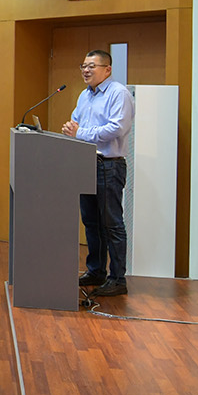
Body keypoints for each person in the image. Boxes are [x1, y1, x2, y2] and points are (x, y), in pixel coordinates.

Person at [64, 49, 135, 297]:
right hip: (85, 163)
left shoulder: (119, 93)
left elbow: (116, 128)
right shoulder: (85, 95)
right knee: (91, 222)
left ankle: (118, 279)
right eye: (83, 65)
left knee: (111, 224)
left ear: (107, 69)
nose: (86, 70)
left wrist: (80, 132)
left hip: (109, 165)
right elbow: (76, 122)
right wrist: (71, 127)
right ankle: (96, 271)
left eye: (91, 66)